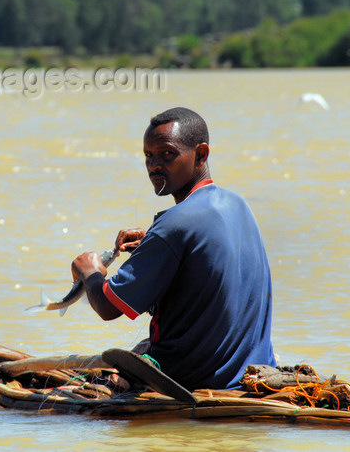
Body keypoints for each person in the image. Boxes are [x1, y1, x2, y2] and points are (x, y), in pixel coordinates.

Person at [72, 107, 276, 391]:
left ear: (201, 154)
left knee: (122, 365)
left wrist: (90, 271)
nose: (154, 164)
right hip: (252, 371)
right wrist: (154, 244)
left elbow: (108, 307)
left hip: (193, 379)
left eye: (167, 154)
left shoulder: (175, 224)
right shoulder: (238, 205)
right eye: (148, 155)